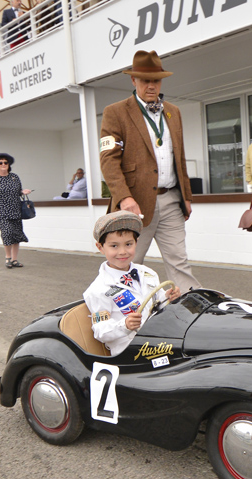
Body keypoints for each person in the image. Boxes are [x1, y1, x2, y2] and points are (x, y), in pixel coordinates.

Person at [99, 50, 201, 293]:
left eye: (156, 80)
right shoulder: (115, 112)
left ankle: (192, 309)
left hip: (171, 200)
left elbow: (180, 158)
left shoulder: (173, 112)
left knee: (179, 261)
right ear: (133, 81)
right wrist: (124, 198)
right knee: (127, 263)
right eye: (145, 80)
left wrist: (186, 196)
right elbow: (108, 160)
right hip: (134, 204)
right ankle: (122, 313)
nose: (151, 85)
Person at [83, 211, 181, 356]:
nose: (122, 252)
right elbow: (100, 331)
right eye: (114, 246)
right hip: (130, 351)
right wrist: (125, 325)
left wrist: (168, 298)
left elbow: (157, 304)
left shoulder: (147, 273)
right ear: (100, 247)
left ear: (136, 242)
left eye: (128, 244)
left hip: (159, 337)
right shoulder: (98, 290)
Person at [0, 153, 32, 268]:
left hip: (16, 210)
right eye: (0, 163)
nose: (3, 164)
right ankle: (8, 258)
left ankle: (15, 260)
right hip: (1, 211)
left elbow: (18, 191)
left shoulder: (14, 177)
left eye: (5, 162)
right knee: (7, 233)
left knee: (17, 235)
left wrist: (23, 192)